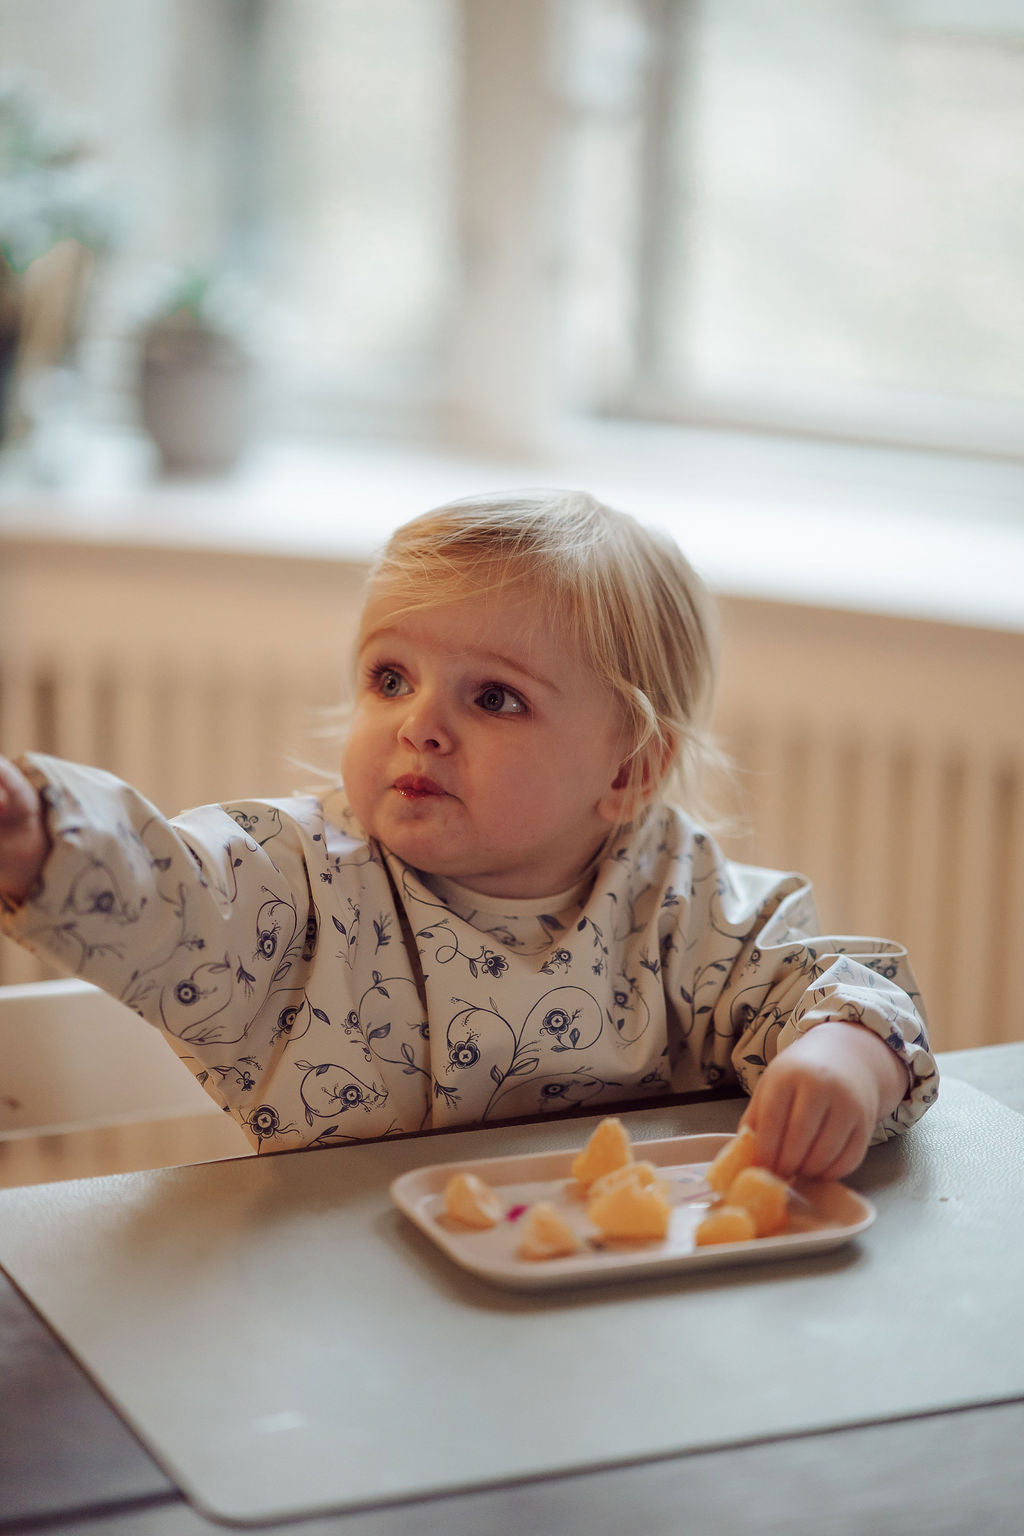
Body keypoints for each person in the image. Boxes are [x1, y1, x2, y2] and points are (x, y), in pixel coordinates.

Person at [0, 490, 936, 1175]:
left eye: (494, 697)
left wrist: (843, 1060)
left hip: (615, 1300)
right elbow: (169, 887)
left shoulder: (680, 902)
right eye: (391, 678)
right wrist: (42, 834)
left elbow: (838, 989)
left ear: (627, 773)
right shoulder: (294, 879)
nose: (420, 724)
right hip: (347, 1294)